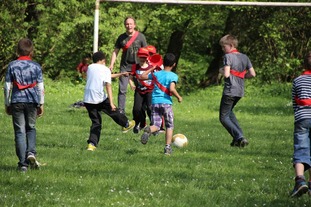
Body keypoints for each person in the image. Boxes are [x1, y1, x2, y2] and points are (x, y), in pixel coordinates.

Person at [4, 38, 44, 172]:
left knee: (19, 131)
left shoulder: (12, 65)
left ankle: (23, 164)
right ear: (31, 51)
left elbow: (7, 86)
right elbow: (40, 87)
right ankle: (31, 152)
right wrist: (41, 103)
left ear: (17, 51)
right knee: (31, 128)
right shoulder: (36, 66)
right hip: (32, 101)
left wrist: (7, 103)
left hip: (17, 101)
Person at [83, 51, 135, 151]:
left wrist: (120, 74)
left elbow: (105, 76)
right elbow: (108, 85)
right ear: (103, 60)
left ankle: (92, 144)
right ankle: (126, 124)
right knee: (113, 111)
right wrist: (111, 103)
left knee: (96, 122)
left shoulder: (90, 67)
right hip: (99, 98)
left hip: (88, 99)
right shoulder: (105, 69)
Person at [139, 53, 182, 155]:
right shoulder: (173, 76)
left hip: (154, 102)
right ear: (174, 64)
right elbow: (171, 88)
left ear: (163, 62)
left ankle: (149, 129)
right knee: (169, 125)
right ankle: (167, 148)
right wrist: (179, 97)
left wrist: (152, 68)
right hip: (166, 103)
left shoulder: (156, 74)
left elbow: (142, 76)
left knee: (156, 126)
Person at [218, 34, 256, 148]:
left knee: (223, 117)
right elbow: (253, 74)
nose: (223, 50)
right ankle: (237, 140)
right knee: (229, 113)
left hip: (230, 90)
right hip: (240, 91)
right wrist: (241, 76)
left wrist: (221, 70)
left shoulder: (228, 57)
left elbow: (226, 74)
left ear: (231, 45)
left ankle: (239, 137)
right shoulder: (244, 57)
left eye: (224, 47)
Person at [109, 16, 147, 114]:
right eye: (127, 24)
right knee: (122, 89)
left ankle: (140, 110)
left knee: (141, 89)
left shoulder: (141, 37)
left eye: (131, 24)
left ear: (134, 25)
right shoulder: (121, 37)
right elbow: (115, 51)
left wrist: (147, 66)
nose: (129, 26)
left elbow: (146, 52)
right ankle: (121, 110)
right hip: (125, 66)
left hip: (138, 67)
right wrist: (111, 64)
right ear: (124, 25)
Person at [290, 51, 311, 197]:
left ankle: (300, 180)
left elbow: (294, 103)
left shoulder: (297, 80)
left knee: (301, 149)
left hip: (302, 118)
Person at [129, 47, 154, 133]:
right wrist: (131, 84)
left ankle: (153, 126)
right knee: (137, 109)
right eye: (141, 57)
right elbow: (131, 77)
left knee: (150, 108)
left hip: (149, 91)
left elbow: (156, 78)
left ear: (147, 57)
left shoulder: (151, 68)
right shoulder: (134, 67)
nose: (142, 59)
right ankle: (138, 124)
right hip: (139, 91)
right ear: (137, 56)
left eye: (144, 57)